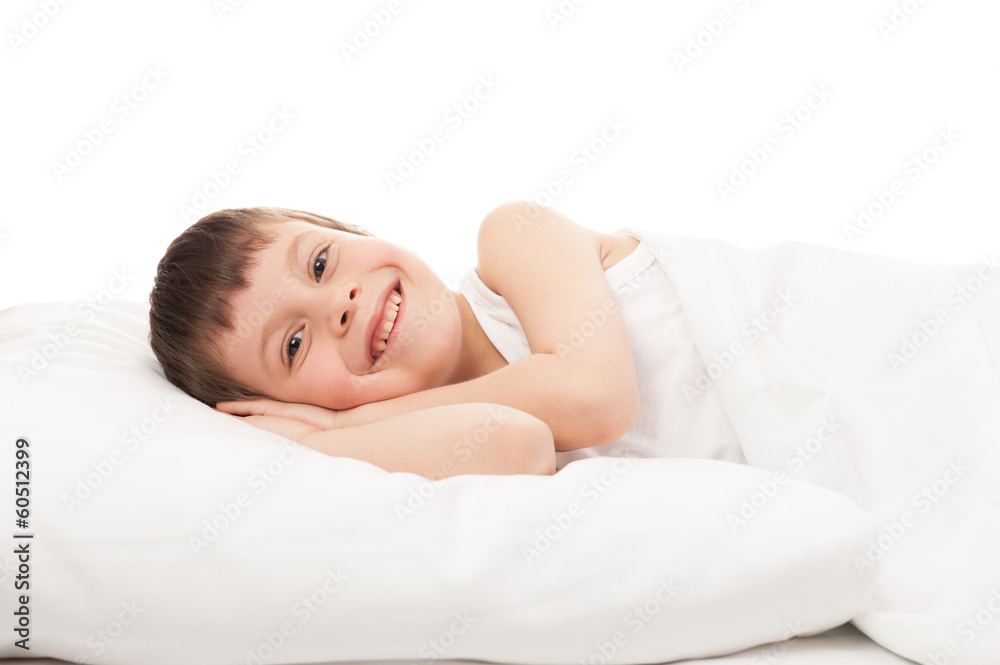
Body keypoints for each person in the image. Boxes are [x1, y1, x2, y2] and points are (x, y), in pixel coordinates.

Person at [148, 202, 744, 479]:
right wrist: (317, 443)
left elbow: (594, 400)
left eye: (323, 262)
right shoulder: (433, 449)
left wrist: (337, 427)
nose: (340, 306)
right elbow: (514, 444)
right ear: (291, 407)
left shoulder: (515, 240)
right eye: (294, 345)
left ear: (354, 228)